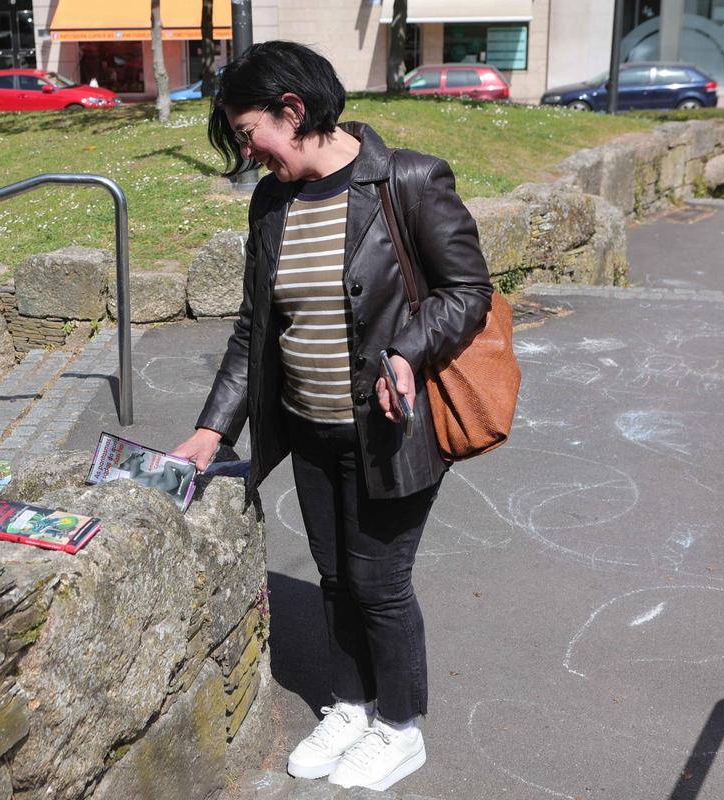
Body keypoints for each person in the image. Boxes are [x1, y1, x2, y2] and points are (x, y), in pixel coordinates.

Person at [170, 41, 493, 792]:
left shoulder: (405, 179)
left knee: (380, 583)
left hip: (393, 433)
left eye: (249, 132)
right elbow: (256, 326)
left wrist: (409, 351)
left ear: (294, 110)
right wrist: (213, 428)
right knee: (335, 577)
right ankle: (350, 706)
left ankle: (399, 728)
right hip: (307, 428)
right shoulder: (272, 203)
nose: (248, 153)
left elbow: (466, 289)